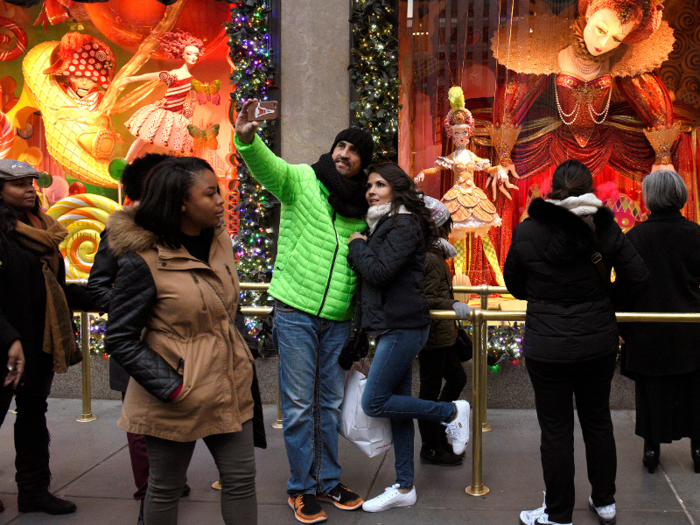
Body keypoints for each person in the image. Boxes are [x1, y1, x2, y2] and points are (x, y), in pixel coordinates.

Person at [234, 99, 371, 524]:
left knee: (328, 403)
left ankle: (327, 481)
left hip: (337, 317)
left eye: (352, 150)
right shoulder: (303, 180)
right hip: (295, 308)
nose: (343, 154)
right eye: (340, 146)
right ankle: (301, 487)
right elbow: (266, 165)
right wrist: (246, 136)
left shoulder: (363, 208)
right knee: (297, 404)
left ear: (363, 162)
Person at [104, 157, 258, 525]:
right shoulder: (143, 259)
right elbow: (121, 337)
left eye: (218, 191)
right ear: (181, 203)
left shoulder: (220, 240)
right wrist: (173, 387)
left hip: (230, 386)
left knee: (240, 480)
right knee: (165, 486)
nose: (221, 200)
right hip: (175, 395)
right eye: (210, 194)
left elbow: (225, 310)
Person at [504, 159, 649, 525]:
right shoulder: (606, 228)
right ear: (591, 189)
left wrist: (542, 298)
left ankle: (559, 515)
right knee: (598, 421)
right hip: (597, 344)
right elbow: (639, 277)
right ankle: (605, 502)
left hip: (546, 346)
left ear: (552, 189)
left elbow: (514, 284)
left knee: (555, 431)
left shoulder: (528, 231)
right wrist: (608, 301)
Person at [346, 162, 471, 513]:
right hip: (392, 325)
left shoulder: (403, 223)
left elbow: (380, 272)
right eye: (369, 185)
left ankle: (450, 411)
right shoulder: (387, 222)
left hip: (404, 327)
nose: (371, 190)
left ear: (397, 190)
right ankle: (404, 486)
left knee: (374, 402)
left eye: (380, 185)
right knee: (395, 409)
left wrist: (357, 246)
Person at [87, 153, 186, 525]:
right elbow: (98, 285)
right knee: (142, 425)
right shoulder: (119, 231)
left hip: (178, 345)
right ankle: (149, 492)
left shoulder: (183, 230)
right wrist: (137, 307)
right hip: (138, 343)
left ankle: (169, 480)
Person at [0, 159, 84, 515]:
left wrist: (107, 296)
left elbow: (56, 287)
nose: (29, 190)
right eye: (19, 184)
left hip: (39, 340)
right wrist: (8, 338)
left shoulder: (43, 228)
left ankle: (33, 491)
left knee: (33, 415)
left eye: (32, 183)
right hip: (5, 343)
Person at [622, 170, 700, 474]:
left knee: (651, 390)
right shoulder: (696, 234)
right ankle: (697, 446)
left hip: (647, 329)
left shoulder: (636, 237)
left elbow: (626, 287)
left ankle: (651, 448)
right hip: (691, 328)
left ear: (649, 197)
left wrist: (622, 327)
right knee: (695, 388)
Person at [417, 197, 469, 467]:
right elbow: (426, 298)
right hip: (433, 338)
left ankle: (440, 423)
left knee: (457, 377)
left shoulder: (436, 255)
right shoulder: (431, 259)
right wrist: (453, 305)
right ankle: (432, 445)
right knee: (430, 389)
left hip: (443, 336)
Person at [121, 29, 205, 161]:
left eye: (196, 54)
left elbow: (193, 101)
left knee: (151, 142)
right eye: (189, 53)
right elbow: (154, 76)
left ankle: (136, 167)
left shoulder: (192, 81)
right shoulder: (174, 74)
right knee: (144, 138)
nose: (193, 57)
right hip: (162, 112)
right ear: (183, 54)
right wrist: (132, 79)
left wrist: (188, 117)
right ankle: (125, 163)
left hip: (175, 116)